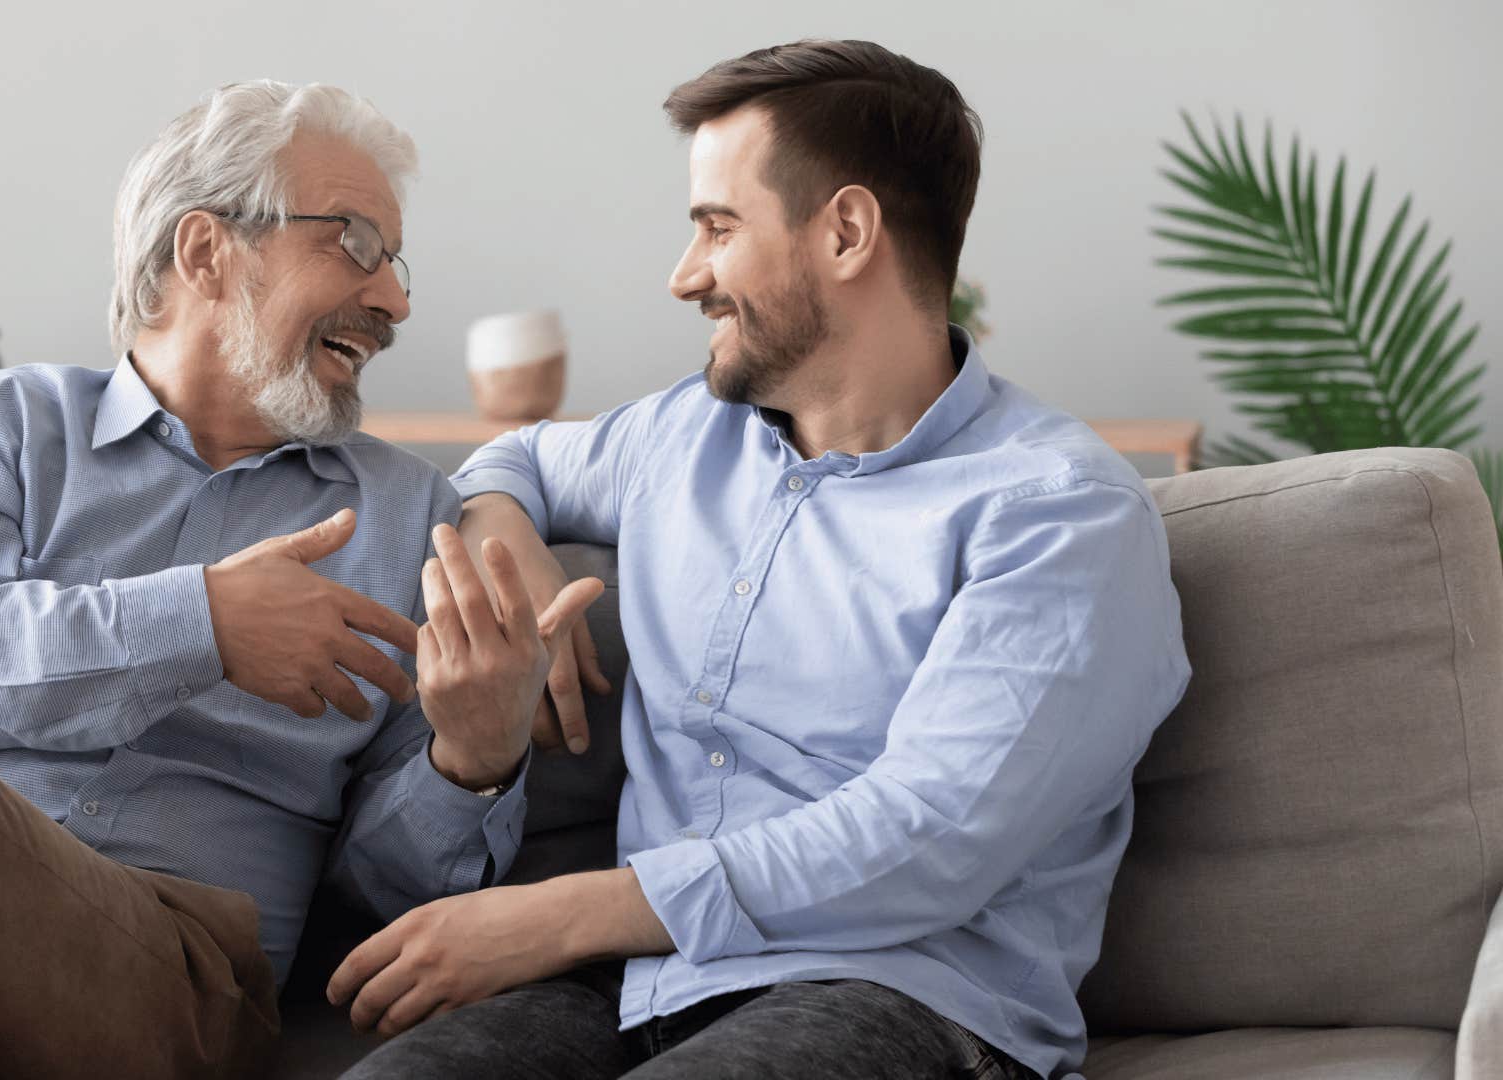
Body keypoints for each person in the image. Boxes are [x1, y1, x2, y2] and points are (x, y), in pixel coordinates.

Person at [0, 80, 596, 1080]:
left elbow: (389, 900)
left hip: (179, 977)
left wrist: (471, 758)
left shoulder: (404, 513)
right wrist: (198, 623)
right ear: (206, 250)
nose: (395, 300)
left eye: (395, 261)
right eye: (356, 243)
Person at [331, 40, 1190, 1080]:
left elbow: (930, 834)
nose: (684, 274)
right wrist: (512, 548)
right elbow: (509, 459)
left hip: (903, 995)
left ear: (847, 232)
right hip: (638, 984)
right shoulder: (682, 437)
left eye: (717, 228)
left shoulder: (1058, 514)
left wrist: (560, 916)